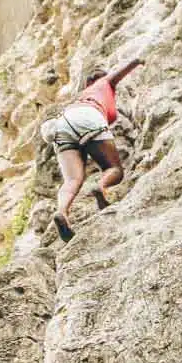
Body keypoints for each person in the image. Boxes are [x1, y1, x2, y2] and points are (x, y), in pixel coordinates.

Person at [40, 56, 145, 242]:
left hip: (63, 123)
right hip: (89, 116)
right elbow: (116, 75)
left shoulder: (80, 96)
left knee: (72, 180)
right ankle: (101, 187)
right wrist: (136, 62)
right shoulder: (102, 84)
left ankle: (62, 212)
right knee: (114, 169)